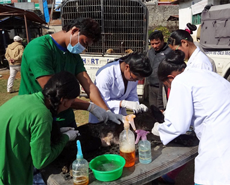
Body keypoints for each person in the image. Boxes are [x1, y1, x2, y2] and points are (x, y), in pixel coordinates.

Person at [19, 18, 123, 128]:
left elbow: (89, 85)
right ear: (74, 31)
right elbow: (55, 93)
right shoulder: (39, 48)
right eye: (84, 42)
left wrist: (107, 111)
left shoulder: (73, 56)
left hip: (65, 116)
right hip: (38, 116)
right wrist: (90, 107)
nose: (83, 48)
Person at [152, 50, 230, 185]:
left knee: (213, 176)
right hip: (223, 126)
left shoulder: (180, 81)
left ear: (171, 77)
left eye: (167, 85)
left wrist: (157, 129)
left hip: (220, 140)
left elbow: (177, 126)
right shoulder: (207, 74)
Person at [0, 71, 80, 185]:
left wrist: (51, 132)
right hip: (9, 175)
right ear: (64, 101)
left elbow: (25, 131)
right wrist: (65, 138)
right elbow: (41, 161)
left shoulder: (24, 99)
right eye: (72, 101)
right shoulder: (42, 115)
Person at [88, 52, 152, 123]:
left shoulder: (132, 74)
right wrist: (122, 103)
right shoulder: (105, 74)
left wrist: (137, 106)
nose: (135, 81)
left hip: (120, 117)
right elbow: (100, 102)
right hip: (101, 118)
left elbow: (132, 94)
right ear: (127, 67)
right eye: (135, 78)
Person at [143, 30, 172, 107]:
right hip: (151, 86)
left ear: (162, 41)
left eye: (157, 43)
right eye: (152, 44)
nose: (155, 46)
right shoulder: (150, 52)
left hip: (163, 87)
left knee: (162, 109)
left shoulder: (169, 52)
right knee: (152, 110)